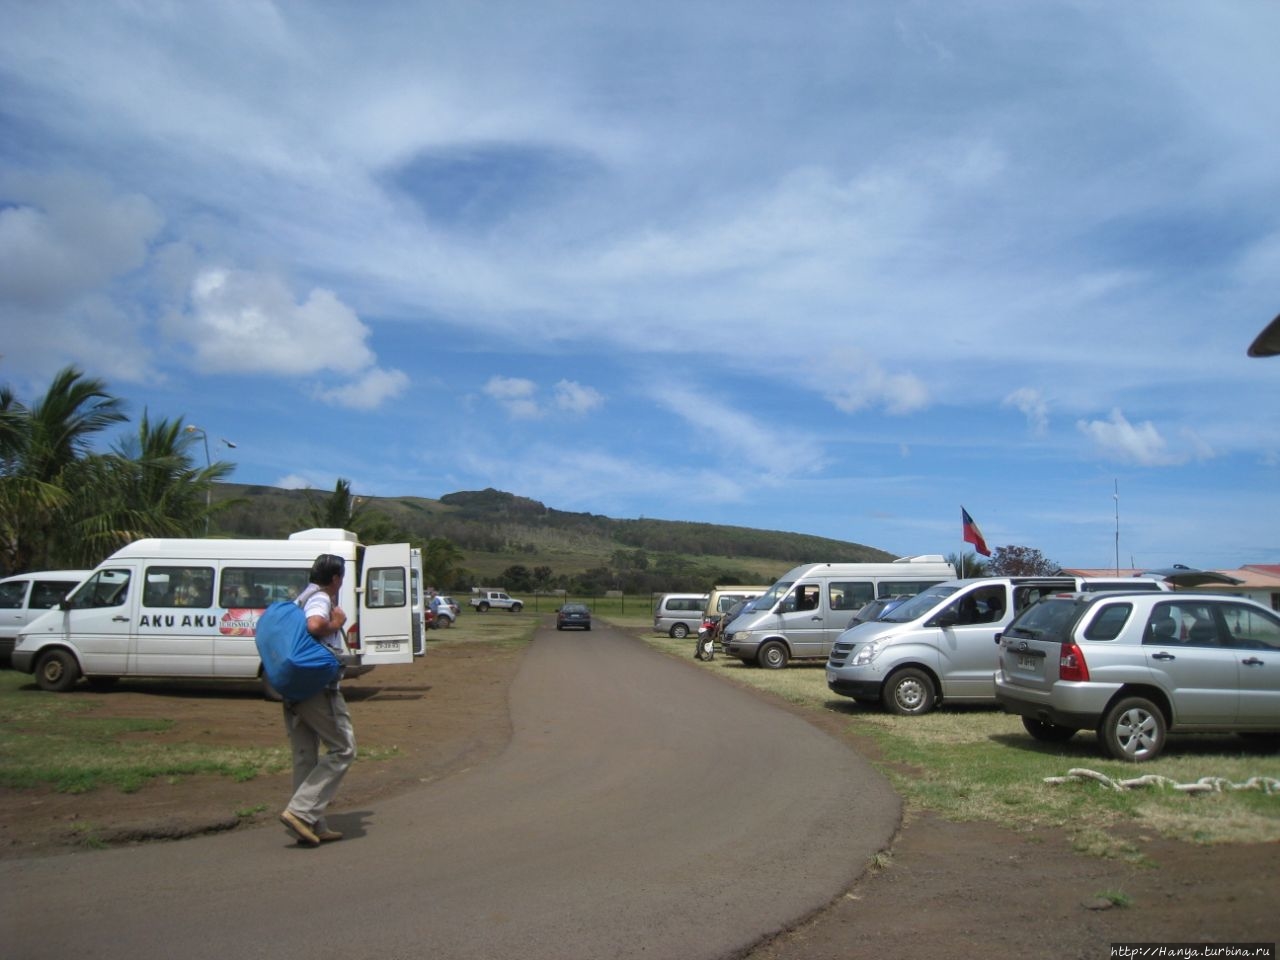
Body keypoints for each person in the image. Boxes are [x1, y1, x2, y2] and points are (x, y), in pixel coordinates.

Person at [279, 553, 355, 847]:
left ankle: (310, 822)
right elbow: (314, 626)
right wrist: (336, 623)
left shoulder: (301, 597)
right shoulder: (321, 599)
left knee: (305, 757)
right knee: (343, 748)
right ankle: (300, 811)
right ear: (336, 578)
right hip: (317, 689)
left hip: (293, 685)